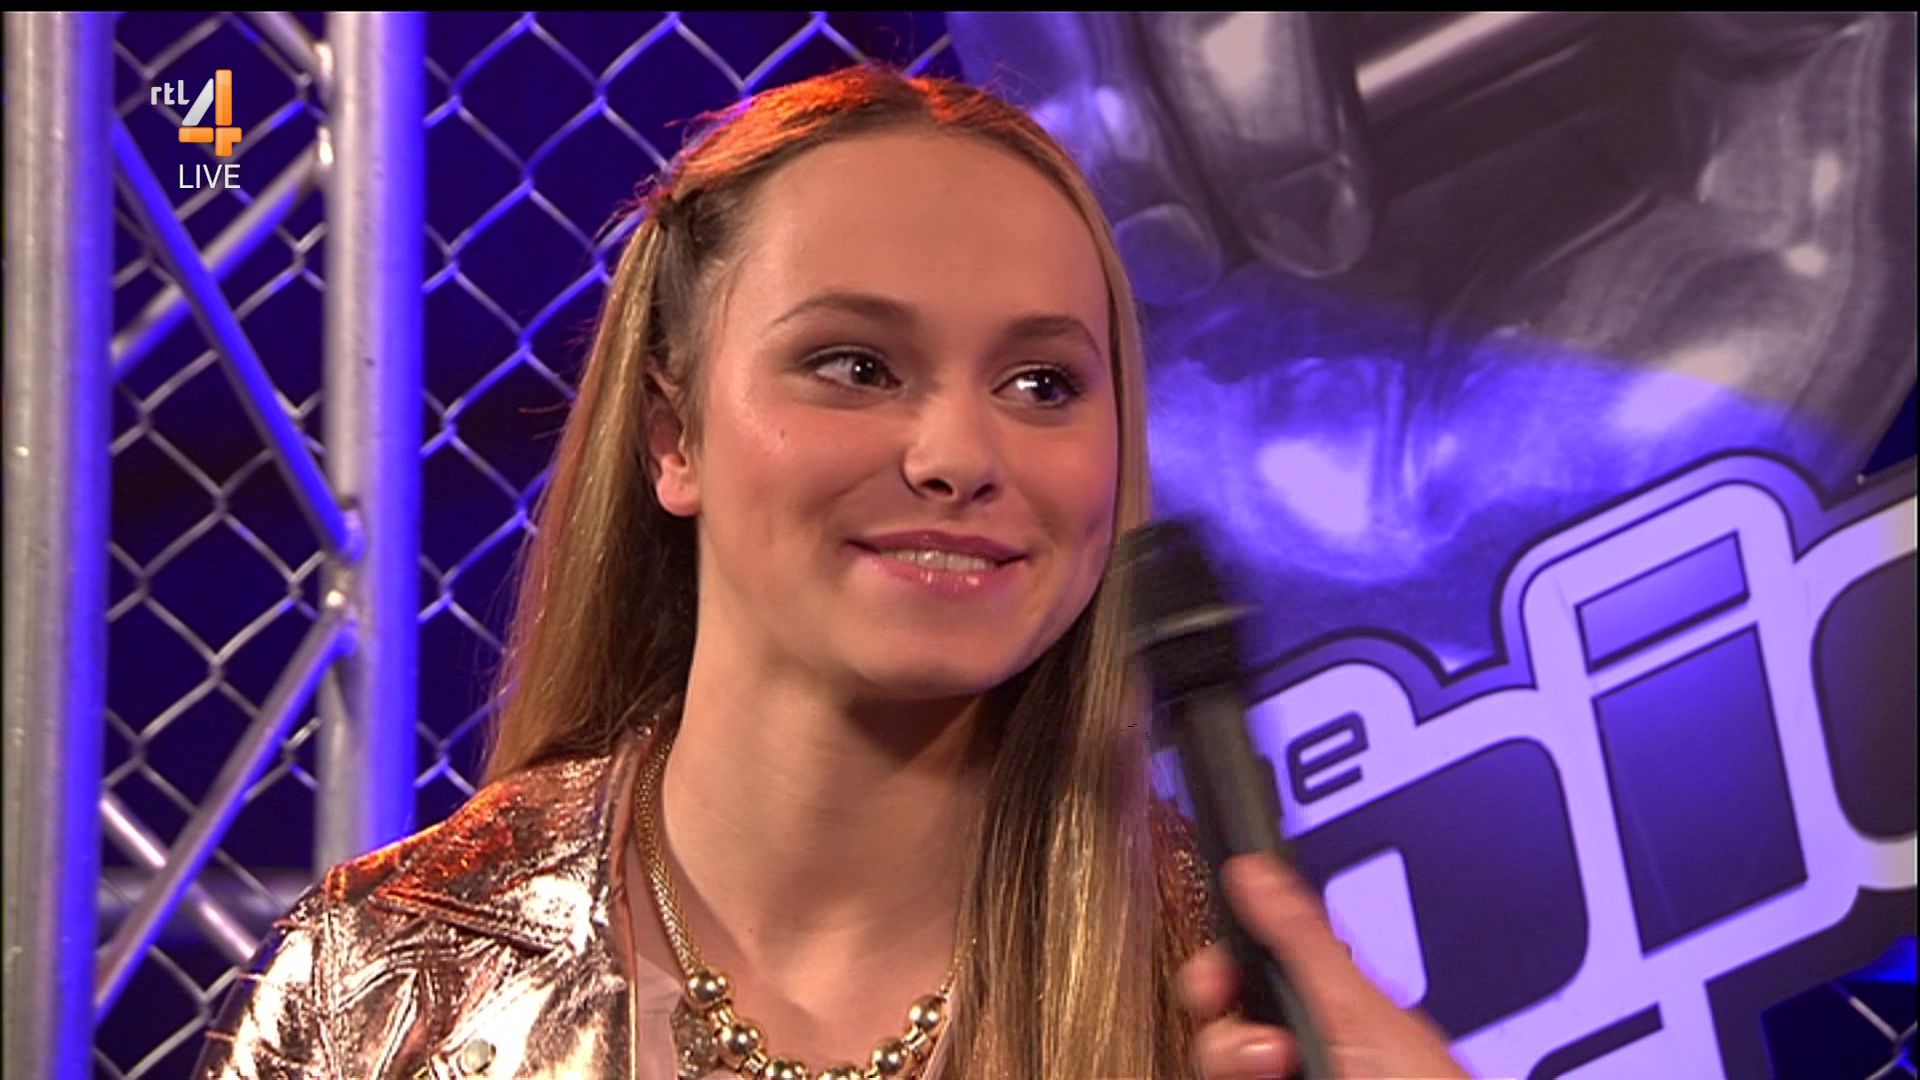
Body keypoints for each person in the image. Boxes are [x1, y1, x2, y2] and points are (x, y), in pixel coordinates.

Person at [195, 64, 1467, 1079]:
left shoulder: (1236, 1015)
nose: (960, 455)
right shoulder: (392, 981)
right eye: (856, 366)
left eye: (1041, 384)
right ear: (674, 438)